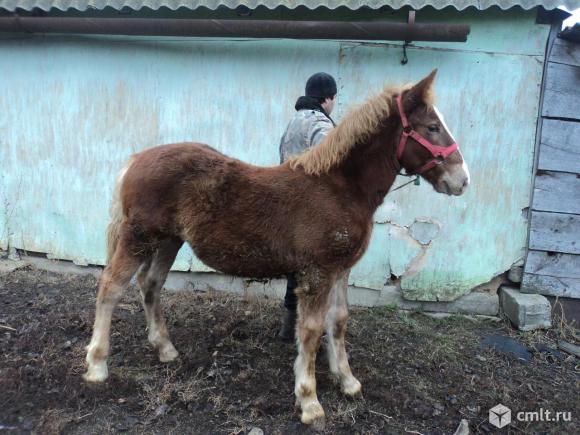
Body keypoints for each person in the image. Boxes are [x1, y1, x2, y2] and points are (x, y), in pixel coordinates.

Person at [278, 72, 338, 341]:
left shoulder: (293, 122)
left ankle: (287, 327)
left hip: (289, 205)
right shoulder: (320, 124)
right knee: (315, 269)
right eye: (334, 98)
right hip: (311, 208)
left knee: (295, 268)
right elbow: (334, 161)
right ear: (328, 98)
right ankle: (311, 329)